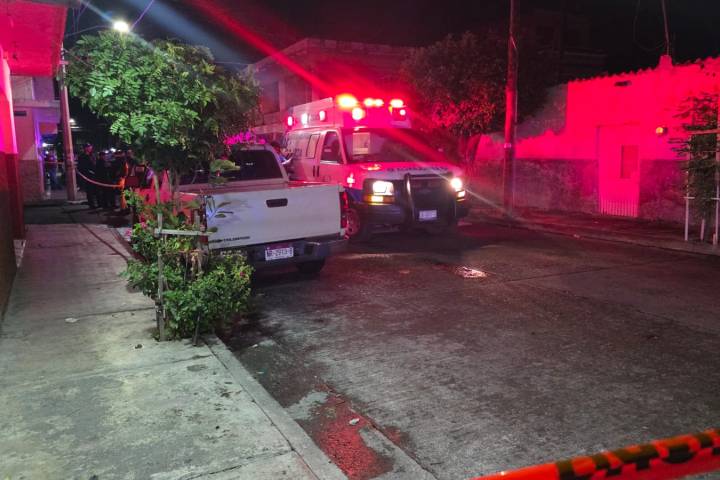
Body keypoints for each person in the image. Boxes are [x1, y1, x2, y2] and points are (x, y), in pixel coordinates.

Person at [77, 143, 98, 209]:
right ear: (85, 148)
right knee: (89, 190)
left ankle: (96, 203)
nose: (90, 148)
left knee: (95, 190)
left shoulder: (92, 155)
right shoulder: (82, 156)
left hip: (94, 174)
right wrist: (89, 171)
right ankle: (91, 204)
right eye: (88, 147)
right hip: (88, 175)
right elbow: (81, 167)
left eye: (90, 147)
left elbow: (94, 163)